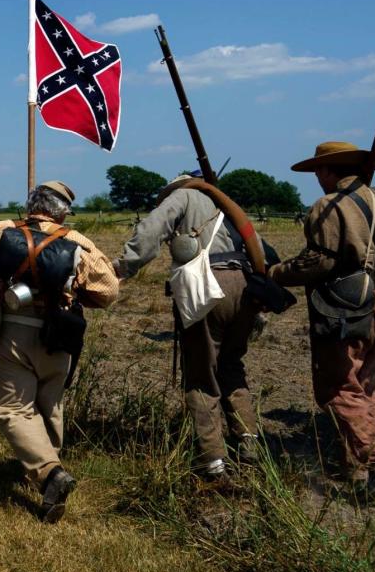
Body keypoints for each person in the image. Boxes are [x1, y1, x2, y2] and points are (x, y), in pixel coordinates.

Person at [115, 171, 280, 479]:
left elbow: (152, 230)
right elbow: (261, 249)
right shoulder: (229, 206)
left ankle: (212, 460)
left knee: (202, 373)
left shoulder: (184, 195)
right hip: (245, 288)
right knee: (232, 367)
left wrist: (124, 267)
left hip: (207, 286)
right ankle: (249, 446)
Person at [0, 181, 119, 522]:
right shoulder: (79, 243)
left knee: (13, 409)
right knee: (50, 404)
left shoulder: (1, 231)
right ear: (62, 211)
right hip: (60, 331)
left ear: (31, 205)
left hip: (12, 328)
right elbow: (109, 292)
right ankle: (46, 472)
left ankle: (49, 474)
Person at [268, 141, 375, 500]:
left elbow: (320, 261)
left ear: (328, 170)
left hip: (350, 305)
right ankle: (355, 463)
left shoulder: (330, 205)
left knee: (337, 386)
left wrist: (277, 273)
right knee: (366, 386)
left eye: (318, 172)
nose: (317, 179)